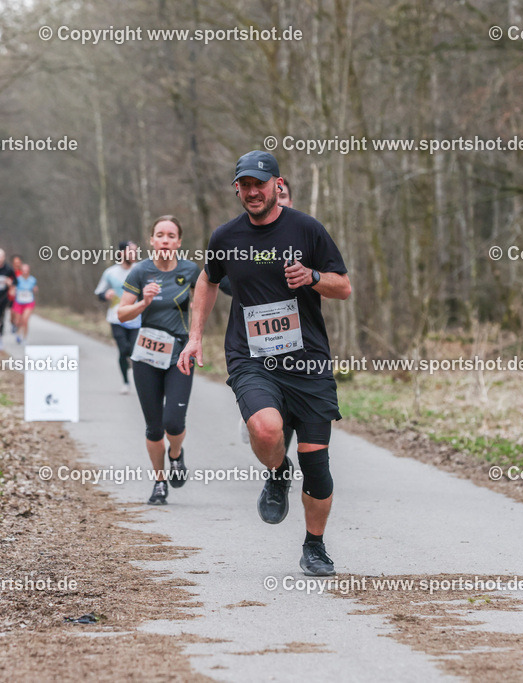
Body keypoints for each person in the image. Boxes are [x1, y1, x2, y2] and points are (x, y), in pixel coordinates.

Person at [178, 151, 351, 577]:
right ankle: (277, 471)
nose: (253, 192)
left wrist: (312, 277)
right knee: (266, 428)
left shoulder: (307, 229)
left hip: (307, 361)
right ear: (237, 188)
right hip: (252, 357)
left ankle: (314, 546)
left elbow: (343, 286)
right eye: (245, 185)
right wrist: (195, 336)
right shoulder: (226, 237)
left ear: (277, 184)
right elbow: (207, 279)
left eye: (261, 183)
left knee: (318, 467)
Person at [119, 217, 201, 505]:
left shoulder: (191, 270)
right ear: (152, 241)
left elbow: (210, 294)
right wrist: (144, 302)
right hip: (147, 356)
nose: (165, 240)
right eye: (160, 235)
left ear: (178, 242)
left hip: (179, 354)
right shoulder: (141, 271)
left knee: (174, 422)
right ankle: (159, 482)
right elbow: (122, 314)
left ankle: (176, 454)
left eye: (171, 235)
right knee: (154, 427)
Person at [222, 178, 295, 452]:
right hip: (254, 339)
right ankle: (255, 420)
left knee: (288, 403)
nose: (281, 199)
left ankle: (277, 465)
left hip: (296, 336)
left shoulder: (305, 233)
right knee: (265, 398)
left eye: (285, 195)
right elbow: (221, 279)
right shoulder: (241, 235)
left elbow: (326, 280)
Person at [95, 241, 142, 394]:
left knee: (134, 350)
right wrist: (105, 294)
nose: (134, 255)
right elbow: (99, 293)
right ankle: (126, 382)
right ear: (121, 253)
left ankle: (134, 373)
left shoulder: (141, 270)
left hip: (137, 318)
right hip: (116, 318)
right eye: (131, 252)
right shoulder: (110, 272)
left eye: (136, 252)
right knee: (123, 350)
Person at [12, 263, 37, 344]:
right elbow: (13, 288)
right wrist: (12, 291)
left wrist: (35, 289)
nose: (25, 272)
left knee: (25, 320)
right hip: (18, 302)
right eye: (23, 270)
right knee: (18, 321)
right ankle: (18, 334)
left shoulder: (32, 280)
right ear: (21, 271)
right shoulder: (17, 279)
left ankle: (24, 337)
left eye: (27, 270)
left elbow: (35, 288)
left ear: (29, 271)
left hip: (29, 302)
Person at [9, 254, 24, 334]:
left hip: (21, 296)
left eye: (18, 262)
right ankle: (13, 324)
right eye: (15, 262)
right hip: (12, 296)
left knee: (19, 315)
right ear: (13, 263)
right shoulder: (10, 272)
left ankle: (19, 330)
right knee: (12, 313)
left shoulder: (23, 272)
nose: (17, 264)